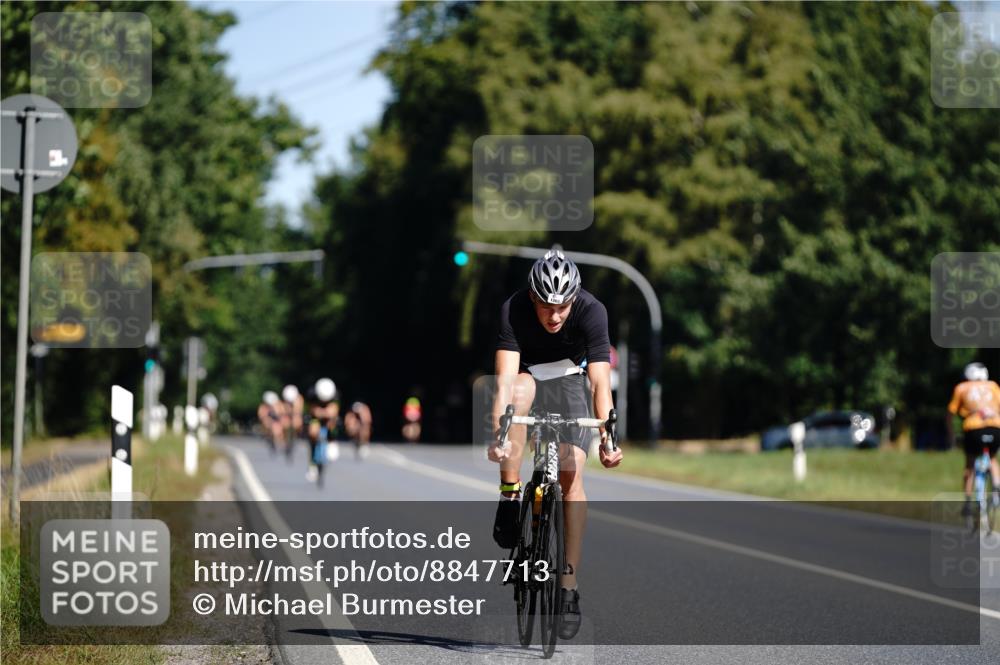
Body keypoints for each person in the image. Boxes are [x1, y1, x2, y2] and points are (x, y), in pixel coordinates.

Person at [487, 247, 623, 639]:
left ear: (575, 299)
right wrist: (499, 435)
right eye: (547, 305)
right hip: (527, 378)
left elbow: (599, 381)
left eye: (563, 305)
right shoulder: (512, 310)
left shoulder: (592, 311)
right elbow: (505, 383)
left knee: (572, 478)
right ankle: (511, 495)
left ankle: (567, 588)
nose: (555, 314)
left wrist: (607, 437)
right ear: (533, 297)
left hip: (569, 382)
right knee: (520, 391)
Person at [947, 362, 1000, 515]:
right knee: (992, 457)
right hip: (996, 427)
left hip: (974, 429)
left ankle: (968, 502)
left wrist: (951, 434)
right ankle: (996, 483)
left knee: (969, 465)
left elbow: (950, 413)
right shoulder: (994, 386)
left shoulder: (962, 388)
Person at [306, 378, 339, 485]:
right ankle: (312, 463)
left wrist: (328, 414)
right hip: (315, 416)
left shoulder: (335, 394)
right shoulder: (312, 393)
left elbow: (334, 410)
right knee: (313, 431)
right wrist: (320, 413)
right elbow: (313, 410)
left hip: (328, 416)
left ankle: (332, 441)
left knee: (333, 423)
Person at [281, 384, 305, 462]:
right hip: (287, 415)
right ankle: (286, 440)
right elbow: (282, 411)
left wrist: (294, 414)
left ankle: (296, 435)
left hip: (295, 414)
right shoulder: (285, 400)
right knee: (284, 424)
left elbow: (298, 412)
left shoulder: (299, 399)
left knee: (297, 422)